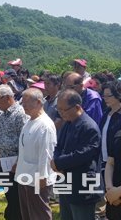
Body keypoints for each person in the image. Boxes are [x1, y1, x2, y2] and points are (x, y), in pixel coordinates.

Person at [52, 89, 103, 220]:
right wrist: (55, 160)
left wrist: (58, 162)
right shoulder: (68, 123)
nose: (61, 113)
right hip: (66, 181)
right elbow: (59, 146)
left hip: (82, 184)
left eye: (64, 110)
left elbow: (83, 154)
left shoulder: (89, 126)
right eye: (59, 110)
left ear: (77, 107)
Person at [16, 88, 57, 220]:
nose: (24, 105)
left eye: (27, 102)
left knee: (39, 212)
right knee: (27, 211)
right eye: (23, 102)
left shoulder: (45, 125)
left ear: (39, 102)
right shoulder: (30, 120)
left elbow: (47, 152)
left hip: (37, 176)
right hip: (25, 173)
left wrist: (43, 175)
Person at [0, 84, 29, 219]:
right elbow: (1, 136)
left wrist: (19, 160)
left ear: (7, 98)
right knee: (9, 192)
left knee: (17, 196)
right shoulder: (3, 115)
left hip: (16, 162)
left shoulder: (20, 114)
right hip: (4, 160)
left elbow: (24, 140)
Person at [102, 81, 121, 219]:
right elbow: (111, 160)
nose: (105, 98)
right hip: (112, 174)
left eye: (108, 96)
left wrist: (118, 192)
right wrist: (110, 189)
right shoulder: (107, 113)